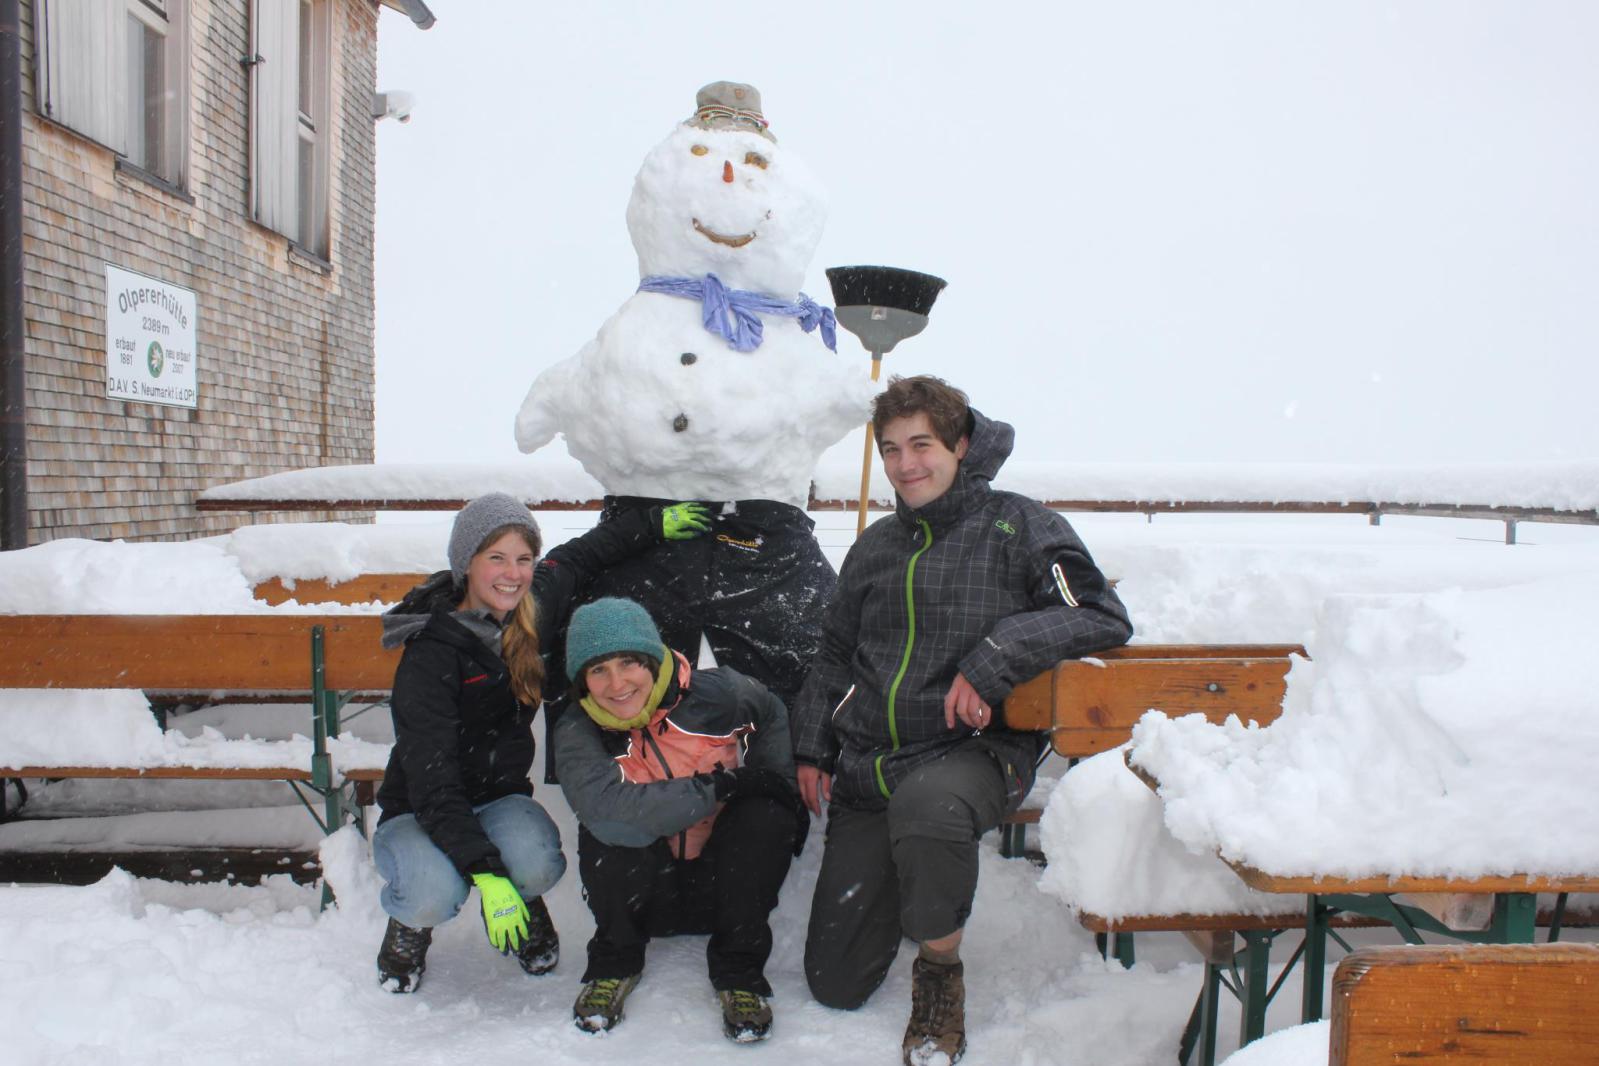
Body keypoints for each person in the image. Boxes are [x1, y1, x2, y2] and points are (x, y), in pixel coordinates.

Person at [789, 376, 1133, 1065]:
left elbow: (1099, 614)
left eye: (921, 444)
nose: (905, 463)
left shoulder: (1019, 525)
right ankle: (907, 887)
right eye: (890, 449)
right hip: (870, 762)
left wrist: (994, 655)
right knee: (835, 983)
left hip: (976, 751)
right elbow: (833, 654)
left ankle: (938, 973)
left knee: (929, 807)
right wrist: (810, 747)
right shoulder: (876, 546)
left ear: (961, 444)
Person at [371, 492, 708, 993]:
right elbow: (432, 778)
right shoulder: (431, 656)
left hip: (497, 798)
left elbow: (581, 555)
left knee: (537, 859)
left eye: (523, 559)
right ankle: (409, 927)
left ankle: (525, 896)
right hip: (422, 807)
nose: (513, 572)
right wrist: (486, 874)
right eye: (496, 558)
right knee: (431, 890)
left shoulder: (529, 609)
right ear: (466, 563)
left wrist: (656, 521)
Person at [553, 596, 807, 1042]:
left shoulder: (720, 695)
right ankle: (615, 963)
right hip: (645, 894)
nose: (617, 684)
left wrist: (773, 779)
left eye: (628, 662)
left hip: (723, 887)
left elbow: (770, 712)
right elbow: (609, 814)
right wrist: (720, 787)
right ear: (582, 681)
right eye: (598, 670)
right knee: (609, 827)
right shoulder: (579, 729)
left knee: (767, 812)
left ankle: (738, 972)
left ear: (653, 661)